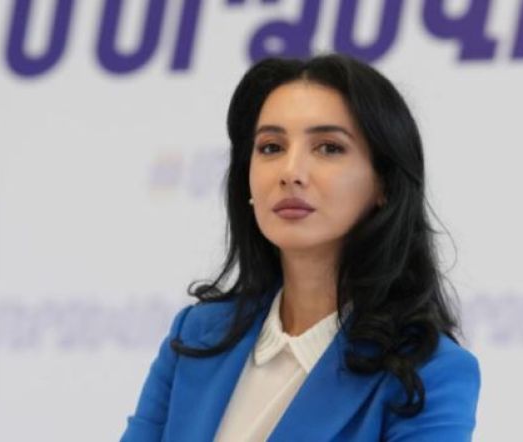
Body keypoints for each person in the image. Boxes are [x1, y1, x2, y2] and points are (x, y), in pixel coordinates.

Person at [120, 53, 480, 442]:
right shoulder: (196, 335)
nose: (290, 172)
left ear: (384, 183)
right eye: (271, 147)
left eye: (328, 147)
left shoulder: (429, 372)